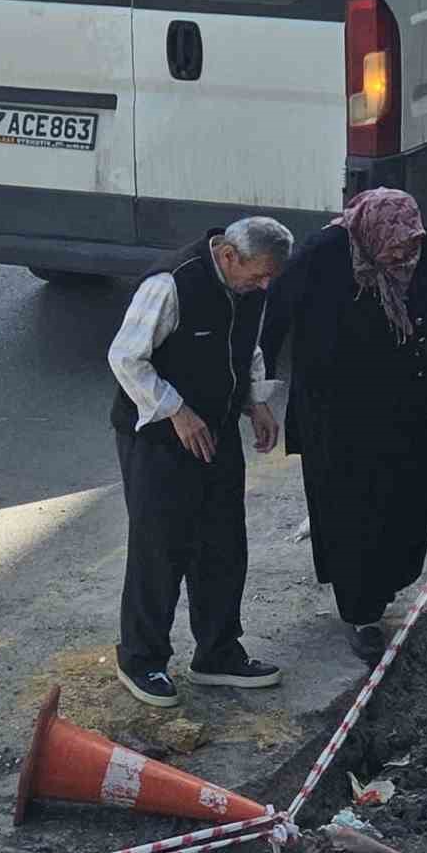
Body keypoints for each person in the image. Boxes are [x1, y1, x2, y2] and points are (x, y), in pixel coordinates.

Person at [264, 189, 427, 664]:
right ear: (370, 233)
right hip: (337, 406)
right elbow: (274, 312)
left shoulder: (417, 246)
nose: (404, 258)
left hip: (404, 391)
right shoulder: (323, 255)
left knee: (419, 483)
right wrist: (256, 390)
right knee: (354, 507)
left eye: (412, 248)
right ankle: (360, 612)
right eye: (396, 250)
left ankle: (388, 581)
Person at [108, 217, 294, 708]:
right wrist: (177, 411)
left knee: (223, 542)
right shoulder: (171, 284)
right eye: (259, 275)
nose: (265, 285)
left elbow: (246, 347)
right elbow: (127, 357)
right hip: (158, 435)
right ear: (230, 255)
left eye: (271, 277)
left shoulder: (251, 285)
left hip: (216, 427)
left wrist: (256, 402)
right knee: (160, 546)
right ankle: (141, 659)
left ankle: (217, 653)